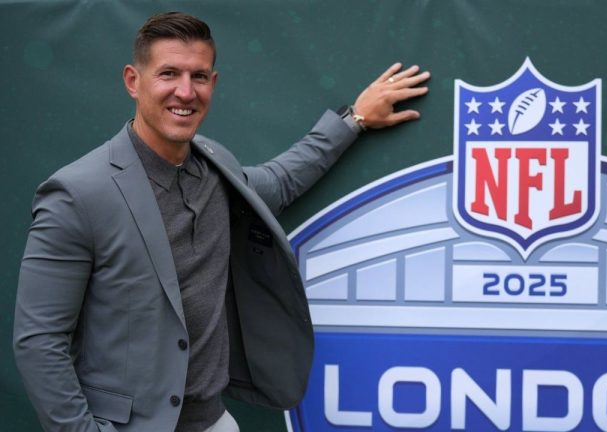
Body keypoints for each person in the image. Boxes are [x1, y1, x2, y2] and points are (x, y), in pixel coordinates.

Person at [13, 11, 429, 432]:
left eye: (198, 76)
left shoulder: (217, 168)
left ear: (213, 84)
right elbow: (39, 341)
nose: (184, 91)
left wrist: (354, 119)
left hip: (215, 422)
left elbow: (282, 180)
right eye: (168, 73)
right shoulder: (76, 193)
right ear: (133, 81)